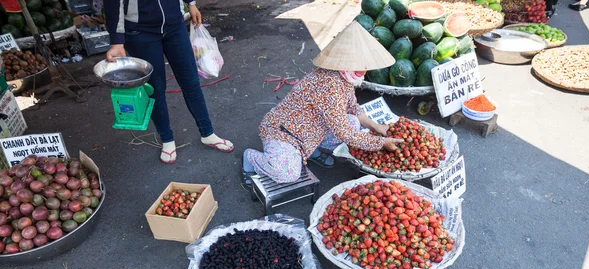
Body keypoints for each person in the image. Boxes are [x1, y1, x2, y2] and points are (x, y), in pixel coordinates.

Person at [241, 22, 402, 186]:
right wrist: (380, 143)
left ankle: (309, 151)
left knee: (353, 122)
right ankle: (251, 159)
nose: (366, 68)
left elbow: (353, 108)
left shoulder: (345, 77)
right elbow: (343, 133)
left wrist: (375, 127)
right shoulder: (330, 86)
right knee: (287, 174)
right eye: (363, 63)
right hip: (284, 132)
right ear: (348, 61)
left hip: (310, 129)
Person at [104, 0, 234, 164]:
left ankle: (208, 134)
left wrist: (191, 3)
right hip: (140, 32)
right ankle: (167, 139)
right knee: (155, 89)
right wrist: (117, 41)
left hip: (175, 26)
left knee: (191, 82)